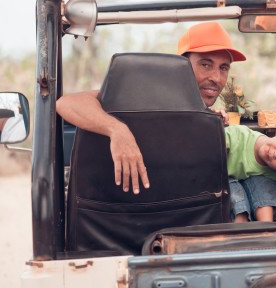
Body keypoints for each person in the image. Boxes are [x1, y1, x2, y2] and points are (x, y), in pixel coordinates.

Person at [56, 21, 246, 194]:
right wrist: (117, 130)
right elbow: (66, 103)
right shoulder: (143, 94)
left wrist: (208, 121)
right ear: (182, 65)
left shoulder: (208, 118)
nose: (216, 78)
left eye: (223, 68)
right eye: (205, 64)